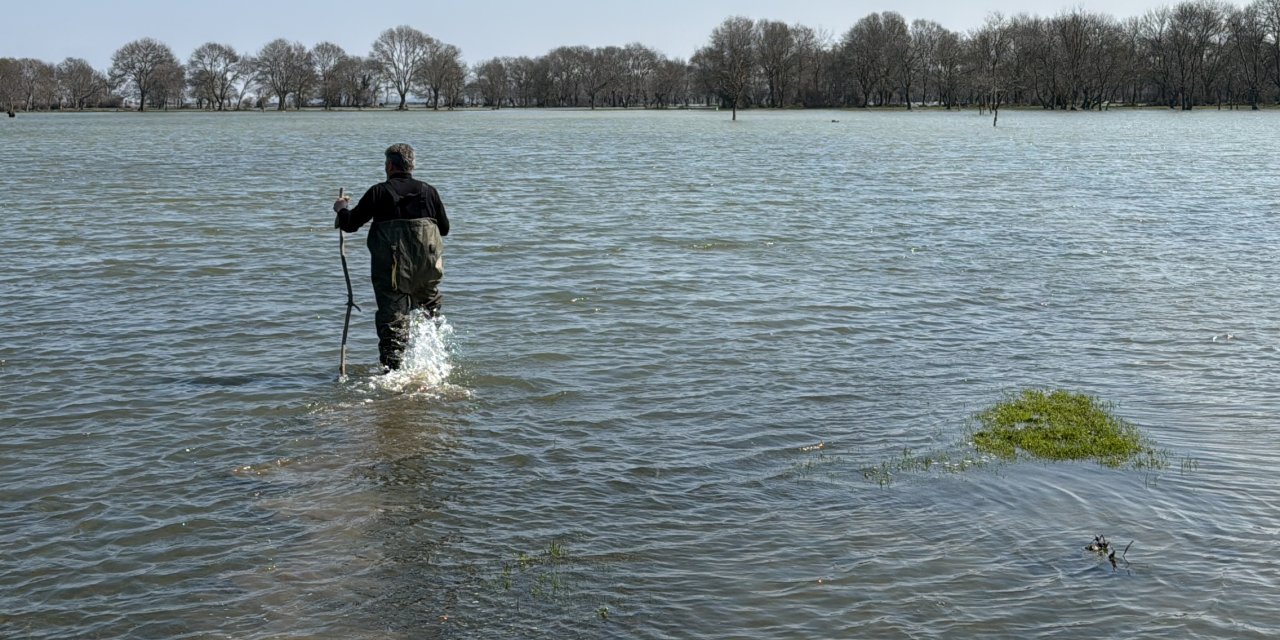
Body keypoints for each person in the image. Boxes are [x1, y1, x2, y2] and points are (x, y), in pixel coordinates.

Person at [334, 143, 450, 371]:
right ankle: (435, 368)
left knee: (393, 327)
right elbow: (444, 229)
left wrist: (341, 208)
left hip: (392, 273)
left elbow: (350, 224)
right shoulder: (429, 191)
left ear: (389, 165)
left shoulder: (378, 192)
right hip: (427, 272)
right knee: (431, 320)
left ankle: (392, 375)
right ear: (411, 165)